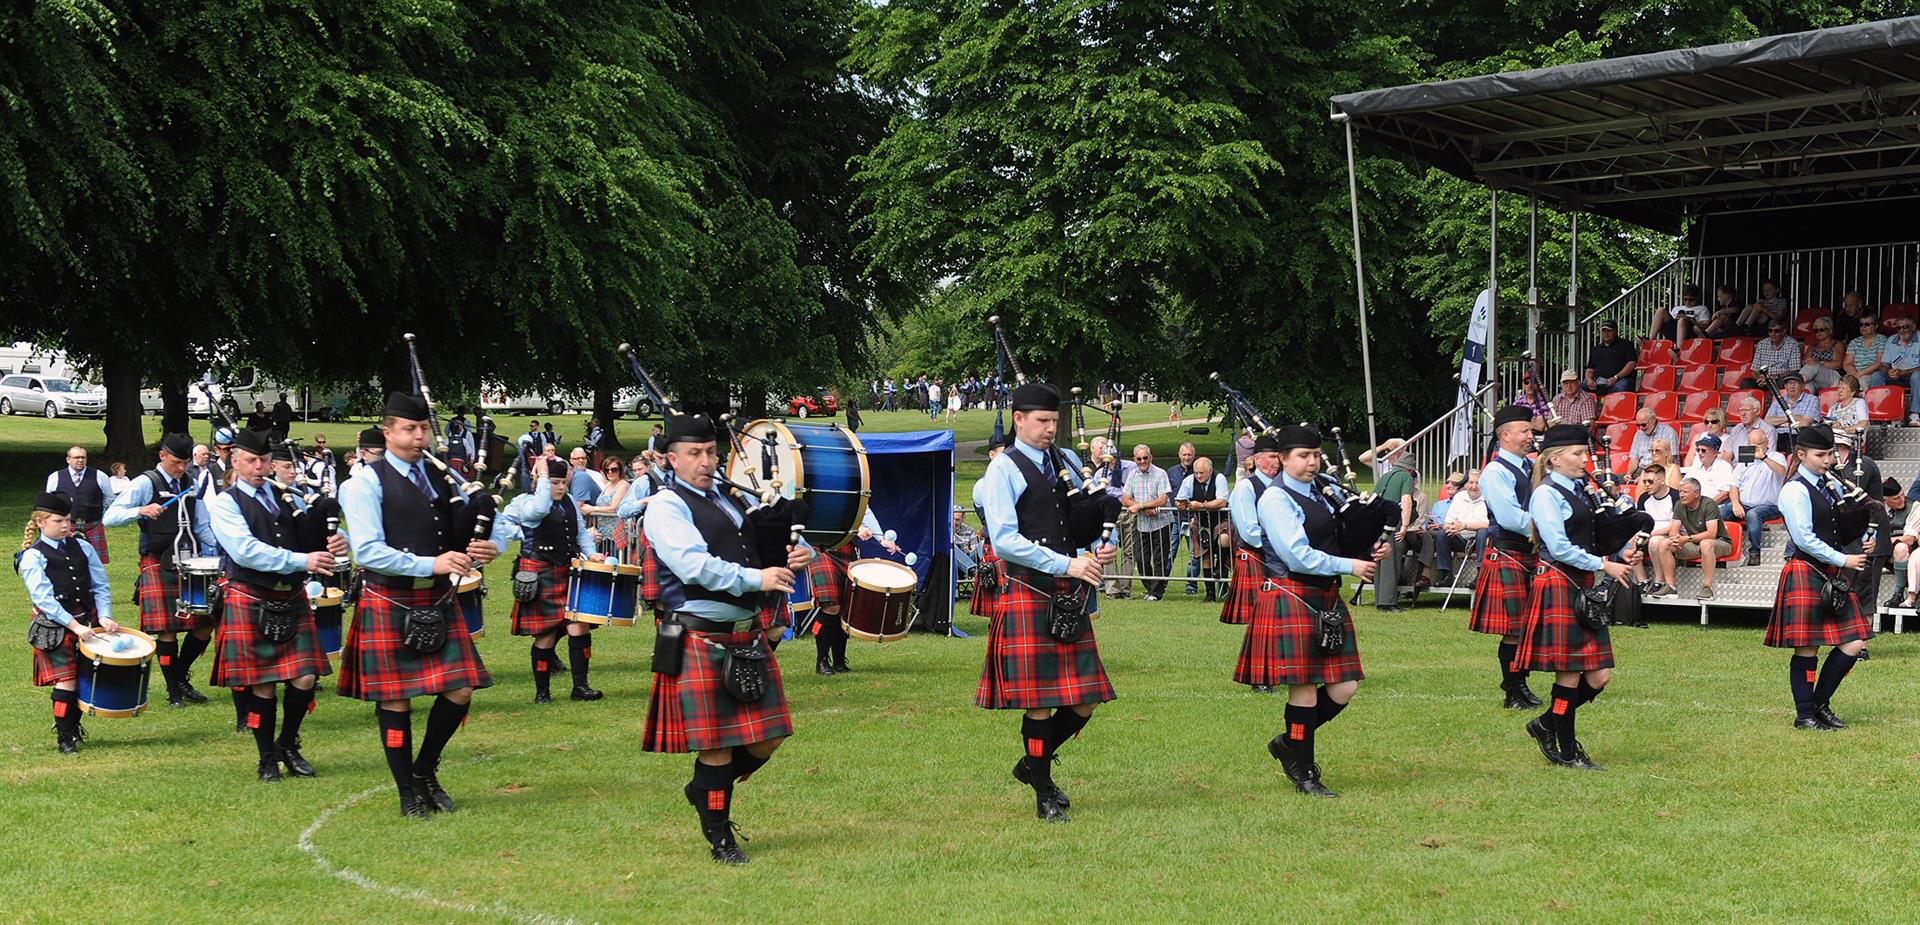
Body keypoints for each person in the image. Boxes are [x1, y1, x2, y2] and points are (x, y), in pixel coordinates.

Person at [641, 412, 814, 863]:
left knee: (768, 738)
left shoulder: (733, 499)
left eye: (711, 452)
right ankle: (721, 839)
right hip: (700, 636)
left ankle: (703, 790)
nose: (704, 461)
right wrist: (757, 578)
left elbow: (775, 548)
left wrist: (798, 552)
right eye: (694, 454)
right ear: (671, 459)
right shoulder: (666, 505)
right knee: (716, 747)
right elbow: (692, 565)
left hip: (747, 636)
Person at [337, 392, 500, 818]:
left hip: (434, 596)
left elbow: (458, 532)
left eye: (424, 428)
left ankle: (425, 769)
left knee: (461, 688)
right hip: (389, 596)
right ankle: (407, 792)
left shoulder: (438, 476)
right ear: (388, 433)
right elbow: (368, 551)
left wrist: (486, 545)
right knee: (396, 700)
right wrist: (433, 562)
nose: (419, 436)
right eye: (409, 429)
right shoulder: (363, 482)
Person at [973, 381, 1115, 824]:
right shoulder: (1003, 470)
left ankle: (1032, 763)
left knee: (1085, 699)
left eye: (1054, 421)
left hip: (1062, 593)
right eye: (1042, 421)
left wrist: (1091, 548)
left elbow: (1066, 526)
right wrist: (1067, 565)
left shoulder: (1059, 463)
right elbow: (1006, 540)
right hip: (1029, 592)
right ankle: (1043, 794)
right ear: (1019, 419)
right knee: (1039, 702)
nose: (1051, 429)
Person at [1234, 424, 1383, 797]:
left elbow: (1333, 538)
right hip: (1291, 594)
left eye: (1315, 455)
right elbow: (1295, 554)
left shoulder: (1320, 491)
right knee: (1304, 690)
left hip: (1324, 597)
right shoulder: (1275, 499)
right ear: (1282, 460)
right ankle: (1304, 772)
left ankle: (1289, 744)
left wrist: (1364, 551)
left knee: (1344, 687)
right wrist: (1349, 566)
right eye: (1303, 456)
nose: (1312, 462)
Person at [206, 429, 348, 781]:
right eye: (252, 461)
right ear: (235, 461)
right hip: (251, 595)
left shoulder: (286, 495)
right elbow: (245, 551)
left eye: (265, 460)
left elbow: (310, 536)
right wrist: (303, 561)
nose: (259, 467)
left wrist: (337, 541)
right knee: (263, 685)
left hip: (291, 595)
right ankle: (266, 756)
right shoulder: (225, 503)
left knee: (305, 677)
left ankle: (287, 743)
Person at [1516, 424, 1638, 770]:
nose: (1585, 459)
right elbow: (1558, 547)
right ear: (1555, 458)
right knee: (1568, 676)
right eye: (1578, 453)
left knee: (1599, 677)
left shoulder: (1581, 489)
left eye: (1584, 453)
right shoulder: (1546, 494)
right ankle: (1568, 752)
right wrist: (1603, 565)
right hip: (1558, 582)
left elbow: (1592, 536)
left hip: (1580, 584)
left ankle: (1546, 724)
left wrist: (1617, 555)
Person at [103, 432, 220, 708]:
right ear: (162, 456)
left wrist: (225, 548)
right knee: (166, 628)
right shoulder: (146, 482)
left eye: (185, 462)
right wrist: (141, 510)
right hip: (157, 560)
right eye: (177, 462)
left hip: (191, 560)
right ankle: (173, 691)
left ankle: (179, 675)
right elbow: (110, 517)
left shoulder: (190, 483)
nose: (181, 468)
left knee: (205, 623)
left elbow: (201, 525)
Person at [1768, 425, 1872, 731]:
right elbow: (1804, 539)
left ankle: (1819, 705)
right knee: (1808, 646)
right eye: (1821, 455)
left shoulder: (1832, 485)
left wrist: (1860, 537)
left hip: (1830, 572)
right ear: (1801, 455)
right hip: (1805, 570)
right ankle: (1805, 715)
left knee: (1854, 641)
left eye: (1830, 454)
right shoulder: (1794, 489)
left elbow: (1841, 523)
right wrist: (1845, 558)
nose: (1828, 460)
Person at [494, 457, 604, 703]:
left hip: (566, 570)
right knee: (545, 634)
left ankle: (581, 687)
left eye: (564, 482)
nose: (561, 487)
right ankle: (542, 692)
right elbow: (539, 510)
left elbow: (580, 531)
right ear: (541, 481)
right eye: (555, 482)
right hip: (539, 572)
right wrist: (543, 477)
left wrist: (591, 552)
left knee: (579, 625)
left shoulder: (570, 503)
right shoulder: (526, 502)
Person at [19, 491, 117, 753]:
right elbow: (44, 599)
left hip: (88, 620)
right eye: (58, 521)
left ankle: (73, 729)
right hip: (54, 626)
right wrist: (74, 627)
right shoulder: (32, 556)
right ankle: (64, 738)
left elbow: (100, 586)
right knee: (67, 681)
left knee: (86, 678)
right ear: (40, 522)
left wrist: (105, 615)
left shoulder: (83, 547)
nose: (65, 526)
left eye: (68, 520)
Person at [1474, 406, 1542, 708]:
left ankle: (1519, 683)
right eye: (1524, 431)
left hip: (1530, 551)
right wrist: (1551, 525)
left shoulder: (1530, 466)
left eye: (1530, 430)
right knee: (1515, 629)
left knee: (1529, 625)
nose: (1530, 435)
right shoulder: (1495, 471)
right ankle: (1512, 692)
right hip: (1509, 552)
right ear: (1505, 436)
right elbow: (1510, 516)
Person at [806, 504, 899, 675]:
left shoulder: (854, 479)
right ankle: (822, 661)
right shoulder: (816, 481)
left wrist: (880, 538)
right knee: (831, 605)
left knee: (845, 607)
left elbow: (865, 509)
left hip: (845, 545)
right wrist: (856, 528)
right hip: (820, 546)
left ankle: (840, 661)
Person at [1223, 434, 1282, 636]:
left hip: (1277, 558)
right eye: (1272, 456)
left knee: (1278, 617)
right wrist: (1281, 544)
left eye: (1279, 457)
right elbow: (1249, 531)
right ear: (1257, 459)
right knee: (1258, 623)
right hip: (1256, 558)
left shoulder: (1281, 486)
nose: (1277, 462)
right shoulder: (1246, 488)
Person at [1650, 478, 1730, 601]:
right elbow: (1674, 528)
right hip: (1694, 543)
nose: (1681, 495)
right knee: (1665, 543)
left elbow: (1712, 533)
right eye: (1680, 491)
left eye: (1685, 492)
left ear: (1696, 493)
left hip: (1720, 542)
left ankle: (1708, 588)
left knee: (1706, 544)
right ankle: (1670, 586)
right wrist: (1675, 538)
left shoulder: (1709, 504)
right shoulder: (1679, 505)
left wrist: (1687, 538)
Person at [1724, 426, 1788, 567]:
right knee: (1719, 511)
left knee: (1753, 514)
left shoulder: (1777, 457)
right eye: (1751, 444)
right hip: (1744, 504)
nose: (1754, 448)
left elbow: (1781, 471)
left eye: (1758, 444)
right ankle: (1723, 547)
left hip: (1770, 506)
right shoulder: (1746, 457)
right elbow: (1734, 485)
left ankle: (1754, 553)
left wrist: (1763, 457)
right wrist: (1735, 503)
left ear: (1766, 443)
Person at [1121, 445, 1173, 601]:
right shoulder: (1133, 475)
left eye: (1145, 458)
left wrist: (1141, 505)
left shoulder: (1160, 473)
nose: (1142, 461)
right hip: (1142, 523)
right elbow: (1125, 498)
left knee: (1159, 558)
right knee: (1141, 559)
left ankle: (1156, 592)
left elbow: (1162, 499)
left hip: (1161, 522)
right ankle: (1151, 588)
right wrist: (1141, 508)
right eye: (1139, 458)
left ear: (1151, 457)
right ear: (1134, 460)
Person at [46, 445, 115, 563]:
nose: (80, 460)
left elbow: (109, 498)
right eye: (76, 457)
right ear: (68, 459)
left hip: (93, 525)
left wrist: (97, 512)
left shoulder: (100, 476)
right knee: (66, 562)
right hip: (67, 526)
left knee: (96, 564)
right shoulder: (55, 477)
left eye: (83, 457)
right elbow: (50, 502)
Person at [1174, 456, 1229, 602]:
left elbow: (1222, 501)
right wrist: (1180, 504)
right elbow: (1179, 499)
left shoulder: (1219, 478)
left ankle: (1221, 567)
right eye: (1196, 472)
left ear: (1210, 470)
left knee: (1224, 540)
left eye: (1202, 473)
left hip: (1220, 520)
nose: (1198, 476)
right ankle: (1210, 593)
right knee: (1205, 555)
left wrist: (1202, 506)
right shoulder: (1189, 480)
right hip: (1201, 521)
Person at [1372, 444, 1419, 611]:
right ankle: (1388, 602)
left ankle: (1379, 599)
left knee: (1379, 560)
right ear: (1409, 470)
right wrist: (1405, 525)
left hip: (1375, 520)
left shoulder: (1384, 477)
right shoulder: (1405, 478)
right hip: (1391, 521)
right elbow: (1406, 500)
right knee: (1391, 561)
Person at [1437, 471, 1490, 584]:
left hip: (1480, 540)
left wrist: (1465, 525)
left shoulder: (1488, 497)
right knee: (1442, 534)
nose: (1474, 486)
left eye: (1477, 483)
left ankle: (1480, 575)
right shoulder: (1459, 497)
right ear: (1465, 484)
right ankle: (1446, 576)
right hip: (1460, 538)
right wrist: (1451, 528)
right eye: (1471, 482)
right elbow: (1448, 521)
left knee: (1483, 532)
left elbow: (1489, 524)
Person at [1632, 465, 1677, 592]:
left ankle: (1659, 580)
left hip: (1668, 536)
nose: (1647, 485)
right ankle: (1642, 581)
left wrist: (1651, 534)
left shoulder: (1675, 496)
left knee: (1655, 541)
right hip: (1649, 534)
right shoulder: (1644, 497)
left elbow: (1674, 526)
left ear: (1662, 480)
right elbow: (1639, 523)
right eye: (1644, 481)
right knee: (1631, 540)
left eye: (1650, 481)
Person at [1164, 443, 1194, 593]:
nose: (1187, 457)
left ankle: (1191, 586)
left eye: (1189, 454)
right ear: (1179, 455)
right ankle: (1162, 584)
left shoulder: (1198, 471)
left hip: (1193, 519)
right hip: (1175, 519)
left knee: (1194, 555)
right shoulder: (1171, 471)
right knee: (1170, 553)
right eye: (1184, 454)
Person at [1881, 315, 1920, 425]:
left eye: (1905, 327)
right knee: (1877, 376)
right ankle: (1878, 413)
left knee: (1917, 376)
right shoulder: (1891, 340)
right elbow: (1883, 364)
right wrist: (1888, 371)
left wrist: (1904, 372)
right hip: (1895, 375)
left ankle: (1914, 414)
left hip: (1914, 377)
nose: (1902, 330)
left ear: (1913, 327)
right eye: (1899, 328)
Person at [1584, 319, 1639, 394]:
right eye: (1604, 331)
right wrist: (1589, 380)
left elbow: (1632, 364)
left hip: (1619, 381)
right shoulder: (1596, 348)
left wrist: (1616, 378)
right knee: (1580, 386)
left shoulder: (1626, 345)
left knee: (1623, 386)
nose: (1606, 333)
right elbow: (1590, 369)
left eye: (1609, 331)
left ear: (1616, 331)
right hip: (1598, 383)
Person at [1746, 320, 1803, 388]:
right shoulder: (1761, 344)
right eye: (1770, 331)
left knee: (1786, 382)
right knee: (1746, 383)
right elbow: (1754, 370)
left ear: (1783, 331)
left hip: (1780, 379)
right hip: (1763, 380)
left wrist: (1776, 376)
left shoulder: (1793, 345)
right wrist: (1760, 378)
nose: (1773, 334)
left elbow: (1794, 370)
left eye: (1776, 331)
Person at [1681, 436, 1735, 506]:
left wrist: (1705, 506)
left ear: (1715, 453)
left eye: (1703, 450)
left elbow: (1725, 493)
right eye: (1698, 450)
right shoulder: (1695, 466)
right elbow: (1684, 484)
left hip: (1714, 507)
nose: (1700, 453)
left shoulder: (1724, 467)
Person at [1723, 396, 1776, 463]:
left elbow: (1771, 456)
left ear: (1757, 412)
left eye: (1747, 410)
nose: (1743, 414)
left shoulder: (1768, 430)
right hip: (1736, 468)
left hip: (1758, 469)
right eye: (1741, 410)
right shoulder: (1736, 429)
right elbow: (1729, 453)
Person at [1799, 319, 1844, 391]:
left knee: (1813, 365)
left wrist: (1819, 363)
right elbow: (1804, 362)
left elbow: (1838, 364)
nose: (1819, 332)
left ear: (1830, 330)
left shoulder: (1837, 344)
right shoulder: (1812, 347)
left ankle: (1795, 383)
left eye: (1822, 329)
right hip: (1816, 378)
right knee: (1808, 385)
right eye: (1816, 330)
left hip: (1833, 377)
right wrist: (1807, 361)